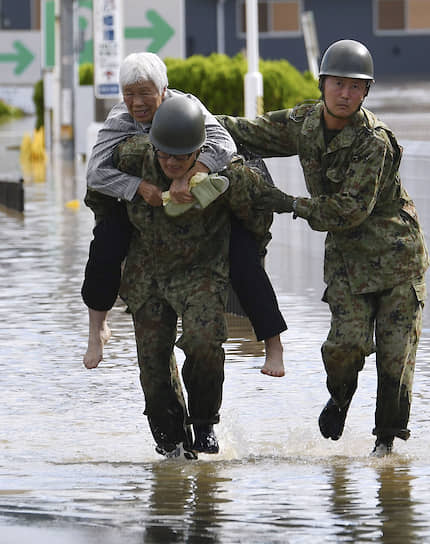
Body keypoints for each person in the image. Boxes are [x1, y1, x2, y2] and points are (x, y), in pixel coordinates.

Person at [217, 39, 429, 457]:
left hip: (397, 258)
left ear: (366, 92)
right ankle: (341, 396)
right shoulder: (306, 123)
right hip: (349, 261)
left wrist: (287, 203)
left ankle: (385, 448)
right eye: (338, 84)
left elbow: (349, 210)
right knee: (344, 346)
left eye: (355, 87)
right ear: (323, 84)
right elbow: (247, 131)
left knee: (394, 360)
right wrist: (187, 117)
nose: (345, 94)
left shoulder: (374, 141)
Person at [82, 52, 287, 377]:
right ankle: (98, 328)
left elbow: (223, 142)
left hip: (200, 194)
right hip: (146, 202)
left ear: (163, 90)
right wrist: (137, 187)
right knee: (106, 240)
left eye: (145, 92)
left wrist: (191, 174)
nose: (137, 102)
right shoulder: (121, 118)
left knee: (243, 257)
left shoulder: (185, 107)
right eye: (129, 93)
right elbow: (95, 173)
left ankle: (273, 345)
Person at [111, 95, 275, 458]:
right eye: (164, 155)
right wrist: (133, 191)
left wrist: (247, 256)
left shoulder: (225, 172)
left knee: (204, 344)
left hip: (201, 270)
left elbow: (258, 212)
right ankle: (172, 445)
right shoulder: (133, 157)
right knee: (153, 367)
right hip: (148, 273)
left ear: (200, 150)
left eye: (181, 157)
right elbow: (98, 182)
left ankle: (204, 423)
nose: (171, 163)